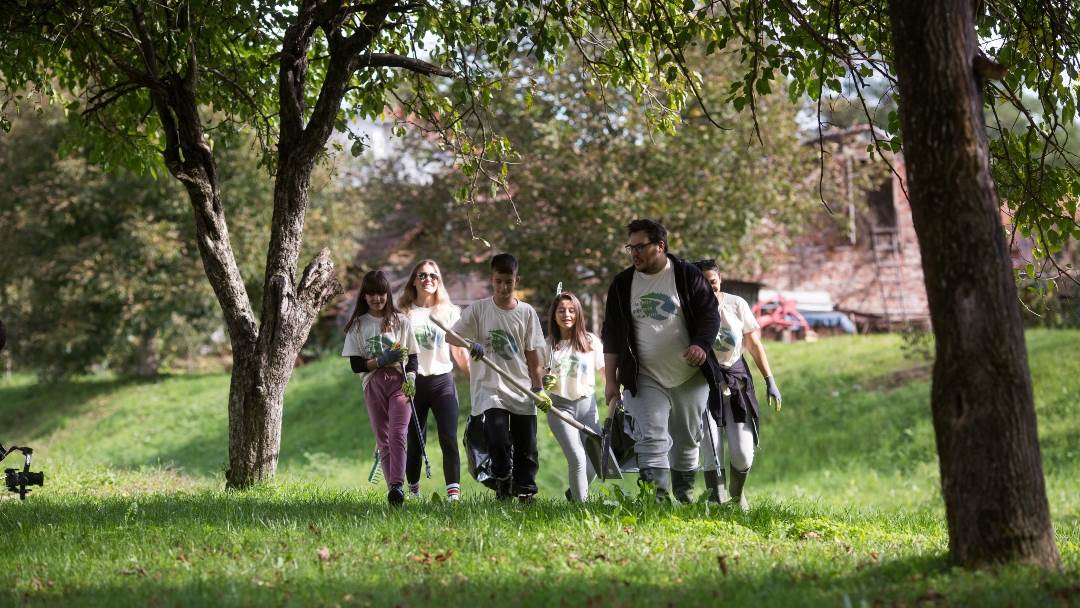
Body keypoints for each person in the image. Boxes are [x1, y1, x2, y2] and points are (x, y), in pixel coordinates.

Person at [601, 219, 722, 503]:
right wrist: (610, 380)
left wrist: (701, 345)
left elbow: (709, 315)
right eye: (631, 247)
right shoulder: (622, 284)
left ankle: (684, 496)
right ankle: (657, 501)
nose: (635, 253)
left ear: (660, 246)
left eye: (641, 246)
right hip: (644, 375)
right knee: (651, 436)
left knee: (687, 440)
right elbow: (612, 335)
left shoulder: (687, 275)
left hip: (690, 375)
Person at [448, 253, 550, 501]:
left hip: (522, 388)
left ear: (517, 279)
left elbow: (532, 353)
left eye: (509, 281)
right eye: (499, 281)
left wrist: (538, 388)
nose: (504, 287)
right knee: (498, 437)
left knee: (527, 447)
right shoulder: (479, 310)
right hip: (490, 389)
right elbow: (451, 337)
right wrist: (471, 343)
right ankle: (503, 482)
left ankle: (526, 491)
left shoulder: (526, 313)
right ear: (491, 280)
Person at [694, 259, 782, 511]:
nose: (709, 287)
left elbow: (754, 345)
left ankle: (736, 494)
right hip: (703, 384)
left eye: (713, 281)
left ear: (719, 280)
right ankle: (716, 500)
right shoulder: (689, 310)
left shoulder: (736, 304)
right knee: (711, 448)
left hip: (736, 381)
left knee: (743, 451)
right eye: (703, 282)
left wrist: (770, 380)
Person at [341, 270, 420, 506]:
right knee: (383, 439)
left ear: (388, 294)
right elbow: (356, 365)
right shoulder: (357, 326)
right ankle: (394, 490)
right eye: (372, 294)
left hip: (400, 382)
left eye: (381, 293)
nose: (377, 298)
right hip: (372, 384)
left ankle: (397, 484)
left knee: (398, 433)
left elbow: (413, 356)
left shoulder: (401, 321)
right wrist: (381, 360)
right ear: (364, 296)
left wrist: (412, 379)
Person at [398, 260, 470, 501]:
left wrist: (474, 378)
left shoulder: (449, 312)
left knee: (448, 437)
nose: (428, 279)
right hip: (414, 383)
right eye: (422, 275)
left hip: (442, 382)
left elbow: (459, 351)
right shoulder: (404, 314)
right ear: (414, 281)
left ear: (439, 281)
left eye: (433, 276)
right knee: (415, 441)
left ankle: (454, 496)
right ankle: (414, 492)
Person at [543, 291, 605, 502]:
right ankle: (582, 508)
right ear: (554, 315)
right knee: (577, 458)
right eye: (561, 311)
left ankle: (575, 492)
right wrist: (544, 383)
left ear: (578, 313)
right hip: (560, 409)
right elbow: (539, 377)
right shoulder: (548, 345)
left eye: (571, 310)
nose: (567, 315)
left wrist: (614, 393)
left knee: (597, 458)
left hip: (588, 406)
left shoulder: (591, 342)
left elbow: (604, 371)